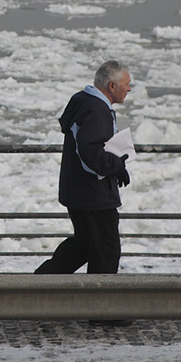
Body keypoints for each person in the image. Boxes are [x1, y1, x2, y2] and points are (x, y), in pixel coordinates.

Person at [35, 60, 133, 277]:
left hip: (79, 192)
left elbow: (90, 147)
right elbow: (90, 153)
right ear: (112, 86)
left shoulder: (85, 101)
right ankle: (99, 301)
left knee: (84, 245)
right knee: (106, 251)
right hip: (93, 197)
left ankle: (42, 282)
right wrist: (116, 165)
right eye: (126, 84)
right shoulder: (96, 110)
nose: (129, 88)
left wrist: (114, 165)